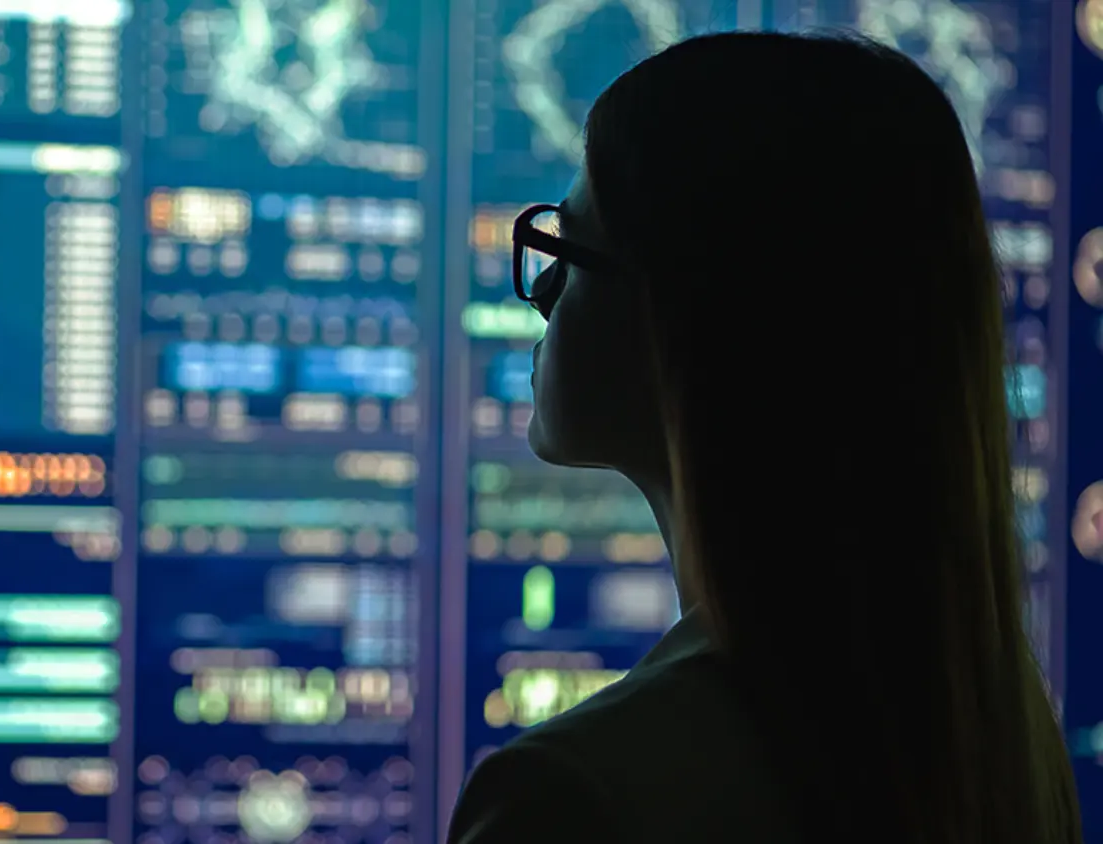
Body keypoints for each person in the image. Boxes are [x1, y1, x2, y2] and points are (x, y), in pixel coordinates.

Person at [446, 30, 1081, 844]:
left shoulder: (570, 795)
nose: (541, 296)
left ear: (685, 317)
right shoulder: (1000, 732)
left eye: (564, 249)